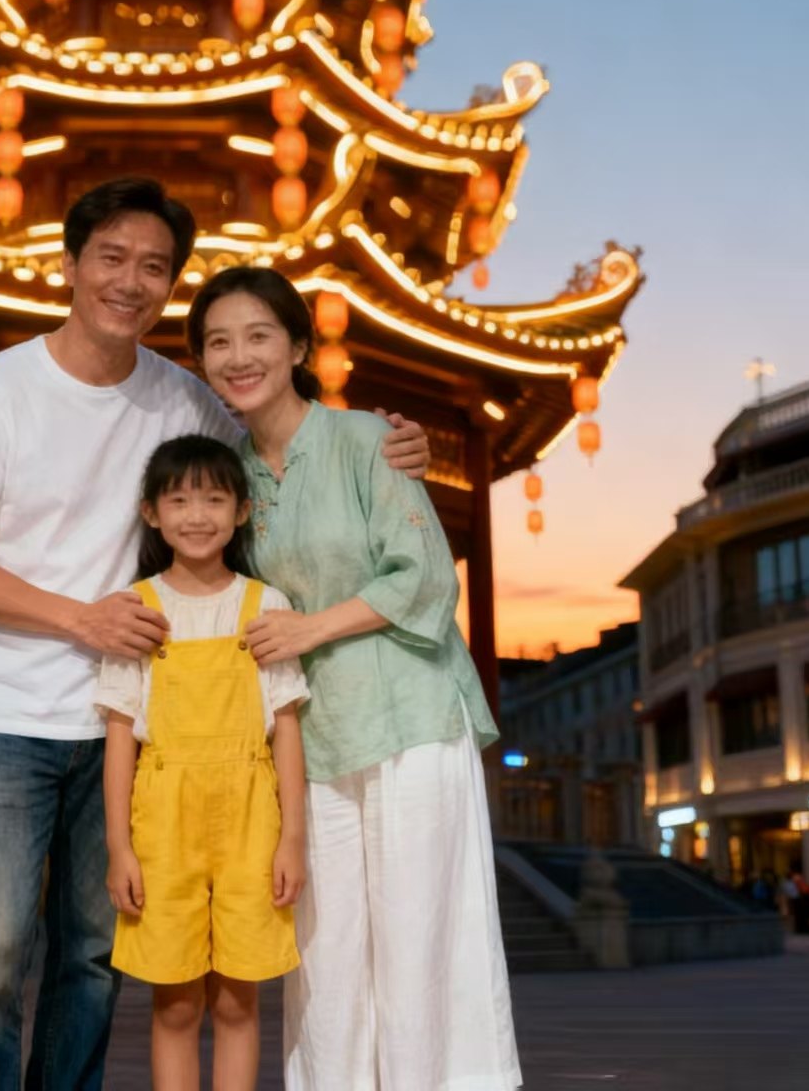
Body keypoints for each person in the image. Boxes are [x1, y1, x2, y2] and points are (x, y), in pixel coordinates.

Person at [0, 177, 430, 1091]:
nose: (131, 281)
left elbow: (277, 447)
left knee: (92, 958)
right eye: (111, 258)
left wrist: (378, 445)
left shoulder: (185, 401)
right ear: (69, 264)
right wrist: (81, 617)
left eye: (155, 267)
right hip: (11, 714)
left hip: (137, 735)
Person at [187, 265, 523, 1091]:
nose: (239, 357)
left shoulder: (369, 440)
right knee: (324, 948)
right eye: (219, 342)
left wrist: (310, 628)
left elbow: (424, 577)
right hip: (310, 733)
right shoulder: (227, 477)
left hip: (409, 715)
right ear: (201, 362)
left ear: (299, 347)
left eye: (259, 336)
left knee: (419, 935)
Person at [97, 435, 308, 1091]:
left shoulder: (266, 605)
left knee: (239, 1001)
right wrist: (119, 847)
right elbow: (120, 736)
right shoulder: (137, 608)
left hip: (251, 817)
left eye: (214, 500)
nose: (197, 516)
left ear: (241, 511)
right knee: (177, 1003)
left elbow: (287, 728)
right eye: (179, 500)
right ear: (151, 513)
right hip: (163, 820)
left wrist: (293, 839)